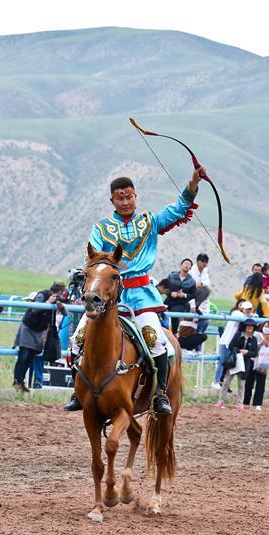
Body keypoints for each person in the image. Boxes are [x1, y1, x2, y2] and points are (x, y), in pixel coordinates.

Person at [63, 169, 206, 414]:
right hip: (108, 295)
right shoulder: (101, 229)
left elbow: (179, 208)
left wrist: (193, 182)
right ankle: (79, 391)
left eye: (129, 197)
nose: (125, 201)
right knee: (77, 340)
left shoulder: (149, 222)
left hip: (141, 294)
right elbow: (97, 258)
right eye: (120, 197)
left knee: (156, 340)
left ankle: (160, 394)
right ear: (112, 201)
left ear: (135, 197)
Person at [14, 282, 66, 392]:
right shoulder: (42, 295)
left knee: (29, 358)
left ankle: (20, 381)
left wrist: (60, 306)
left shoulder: (56, 299)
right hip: (28, 328)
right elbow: (35, 309)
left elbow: (65, 313)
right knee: (23, 356)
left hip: (38, 331)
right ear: (60, 291)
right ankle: (17, 381)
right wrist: (48, 302)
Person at [217, 317, 259, 410]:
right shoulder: (238, 335)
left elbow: (255, 353)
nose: (249, 328)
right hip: (234, 362)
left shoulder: (254, 339)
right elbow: (231, 346)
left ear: (253, 328)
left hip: (245, 364)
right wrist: (239, 351)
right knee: (226, 382)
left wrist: (247, 352)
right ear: (244, 327)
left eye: (251, 326)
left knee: (242, 384)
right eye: (248, 326)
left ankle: (240, 403)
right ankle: (220, 401)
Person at [212, 301, 254, 389]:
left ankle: (222, 382)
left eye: (249, 309)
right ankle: (216, 381)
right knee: (223, 362)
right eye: (247, 309)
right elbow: (241, 316)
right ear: (242, 309)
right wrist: (249, 316)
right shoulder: (237, 313)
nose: (248, 311)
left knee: (230, 363)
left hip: (232, 343)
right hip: (226, 341)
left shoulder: (244, 317)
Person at [244, 321, 269, 410]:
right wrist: (261, 343)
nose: (266, 328)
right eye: (265, 326)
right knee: (249, 381)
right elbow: (253, 348)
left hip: (264, 362)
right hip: (254, 360)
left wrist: (267, 344)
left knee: (261, 383)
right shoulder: (256, 335)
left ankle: (258, 403)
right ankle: (245, 401)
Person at [164, 258, 197, 334]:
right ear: (181, 265)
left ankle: (174, 333)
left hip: (181, 303)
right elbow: (165, 286)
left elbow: (193, 295)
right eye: (185, 263)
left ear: (190, 268)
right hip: (169, 301)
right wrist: (171, 293)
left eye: (189, 264)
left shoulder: (192, 281)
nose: (186, 265)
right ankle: (163, 331)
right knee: (160, 311)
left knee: (175, 313)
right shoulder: (172, 276)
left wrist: (184, 295)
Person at [189, 253, 212, 336]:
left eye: (206, 262)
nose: (205, 264)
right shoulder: (192, 271)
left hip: (202, 300)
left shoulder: (205, 271)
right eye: (203, 261)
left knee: (204, 321)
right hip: (192, 297)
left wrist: (201, 283)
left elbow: (207, 282)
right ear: (198, 262)